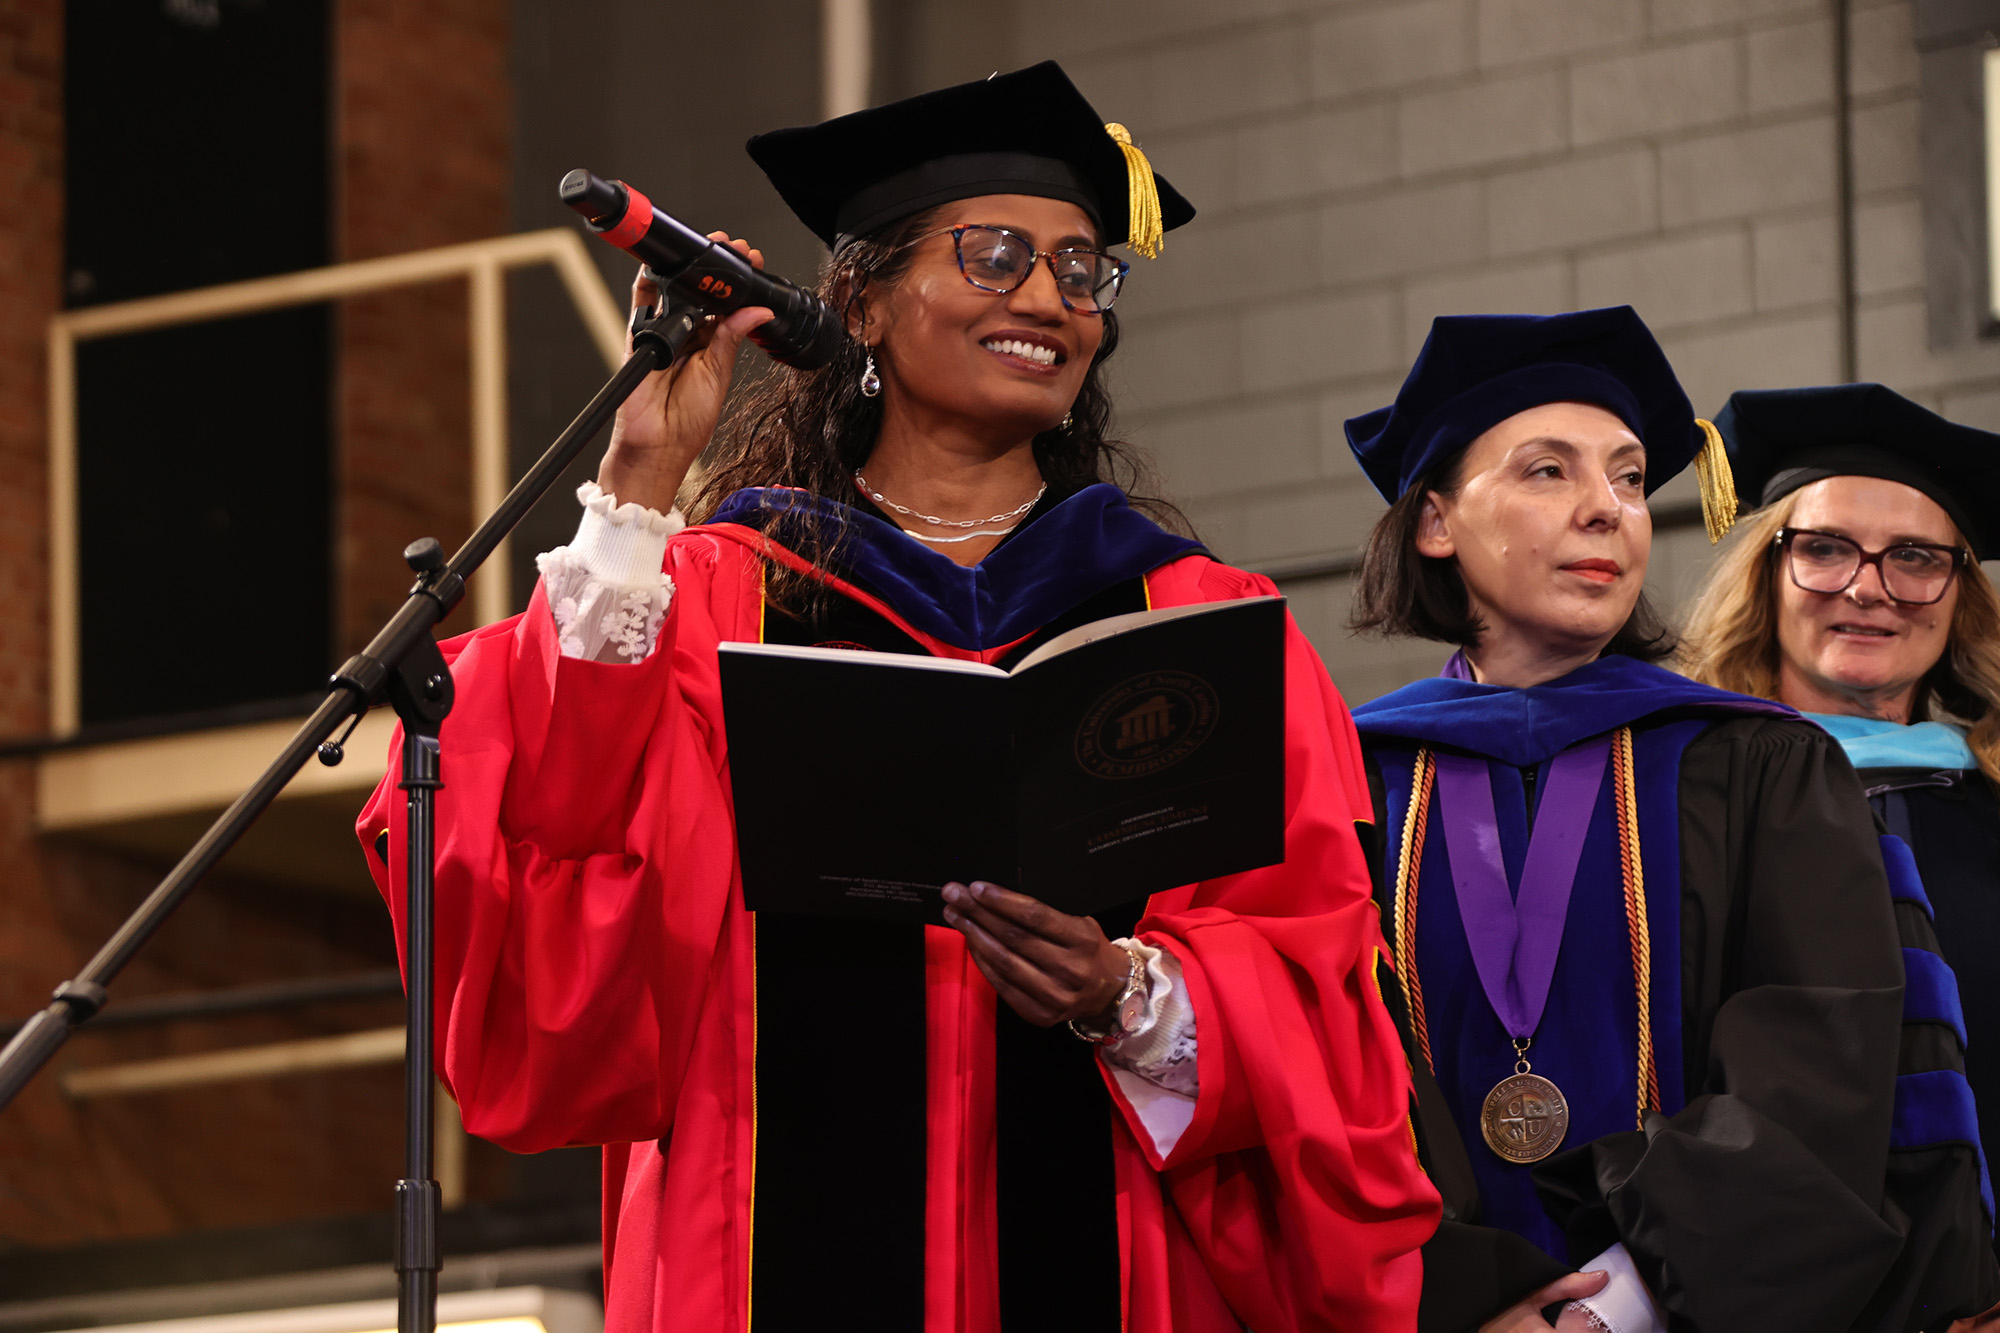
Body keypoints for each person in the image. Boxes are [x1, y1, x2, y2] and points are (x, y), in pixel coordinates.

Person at [355, 62, 1438, 1333]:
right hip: (761, 1251)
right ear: (860, 305)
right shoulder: (704, 600)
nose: (1047, 297)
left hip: (1116, 1259)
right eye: (992, 256)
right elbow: (560, 872)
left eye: (1082, 269)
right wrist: (643, 476)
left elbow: (1320, 978)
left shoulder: (1194, 620)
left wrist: (1130, 991)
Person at [1340, 309, 1995, 1332]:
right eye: (1547, 470)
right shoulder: (1346, 784)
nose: (1606, 508)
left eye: (1632, 476)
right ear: (1433, 521)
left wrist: (1614, 1310)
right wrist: (1449, 1296)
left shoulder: (1757, 767)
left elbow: (1819, 1076)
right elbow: (1311, 1082)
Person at [1681, 383, 2000, 1290]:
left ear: (1955, 593)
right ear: (1768, 572)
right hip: (1760, 1294)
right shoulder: (1679, 800)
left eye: (1914, 556)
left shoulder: (1992, 803)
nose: (1869, 587)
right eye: (1824, 549)